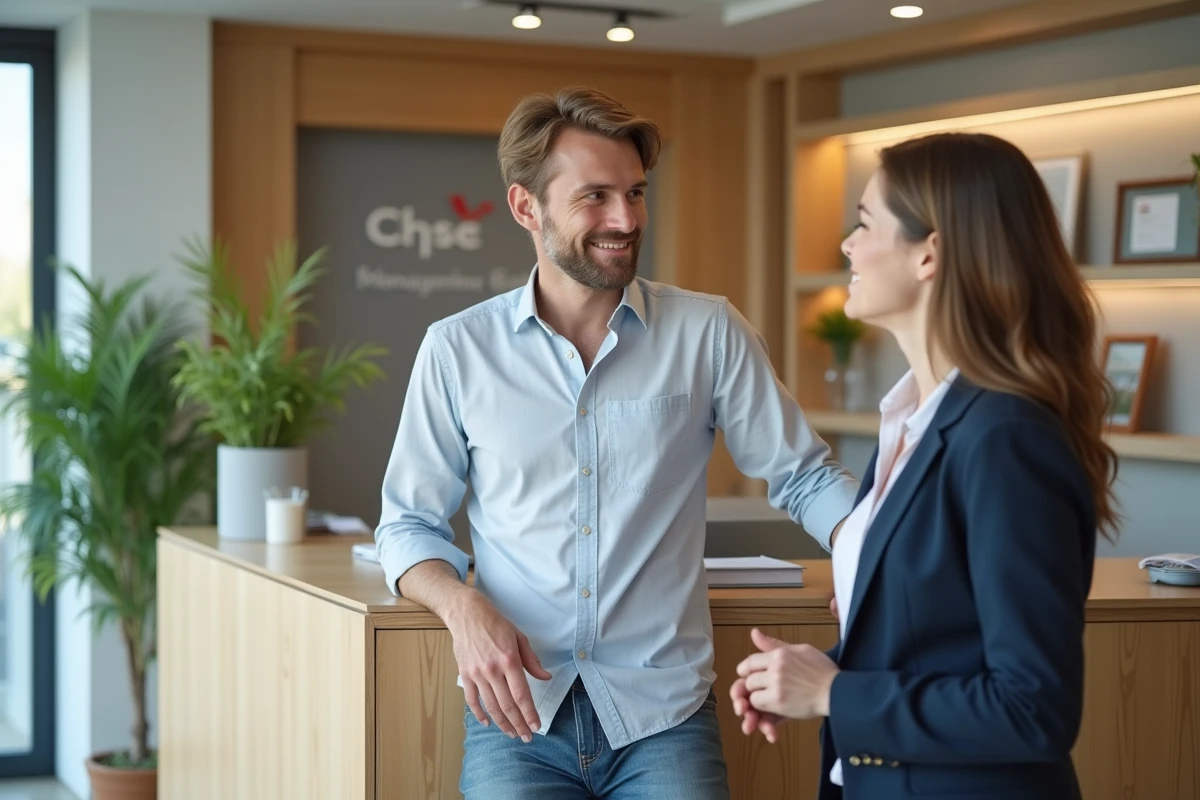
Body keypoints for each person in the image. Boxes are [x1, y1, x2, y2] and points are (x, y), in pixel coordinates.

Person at [373, 86, 859, 800]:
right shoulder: (456, 350)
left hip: (662, 716)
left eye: (635, 192)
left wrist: (875, 560)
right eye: (595, 196)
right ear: (525, 207)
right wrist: (462, 607)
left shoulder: (707, 331)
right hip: (517, 720)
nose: (626, 219)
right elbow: (406, 523)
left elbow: (805, 476)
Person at [730, 131, 1119, 800]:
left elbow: (1033, 708)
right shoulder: (912, 421)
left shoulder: (1006, 436)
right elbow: (937, 643)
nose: (847, 246)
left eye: (863, 223)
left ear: (929, 254)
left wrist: (835, 694)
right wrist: (813, 675)